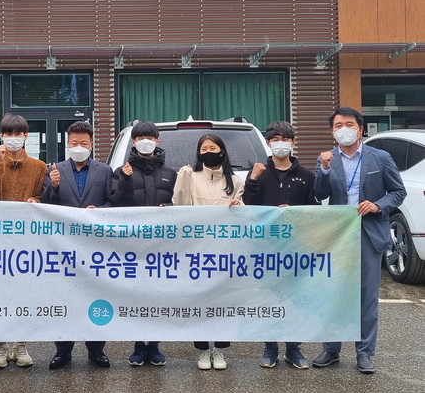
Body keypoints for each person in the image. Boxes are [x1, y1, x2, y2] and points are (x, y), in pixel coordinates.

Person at [311, 107, 405, 374]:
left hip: (368, 232)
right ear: (332, 131)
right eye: (338, 125)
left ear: (360, 129)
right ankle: (331, 349)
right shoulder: (326, 159)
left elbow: (397, 192)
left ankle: (364, 352)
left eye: (349, 124)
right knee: (334, 293)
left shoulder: (380, 158)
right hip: (338, 235)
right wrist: (324, 169)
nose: (344, 129)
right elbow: (319, 194)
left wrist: (378, 205)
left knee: (367, 296)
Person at [243, 121, 319, 370]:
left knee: (295, 298)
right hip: (266, 247)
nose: (280, 144)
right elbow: (248, 205)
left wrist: (294, 212)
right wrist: (253, 179)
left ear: (293, 142)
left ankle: (293, 348)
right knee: (268, 297)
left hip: (295, 247)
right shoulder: (259, 172)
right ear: (267, 143)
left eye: (285, 139)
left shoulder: (306, 176)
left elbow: (314, 210)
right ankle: (270, 347)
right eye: (275, 140)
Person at [42, 121, 113, 369]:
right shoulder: (55, 170)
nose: (79, 147)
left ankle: (96, 350)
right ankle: (63, 350)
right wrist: (53, 186)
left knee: (96, 294)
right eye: (74, 143)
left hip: (95, 246)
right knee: (64, 296)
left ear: (91, 144)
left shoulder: (105, 171)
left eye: (84, 142)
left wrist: (99, 210)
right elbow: (45, 206)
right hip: (63, 246)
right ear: (67, 144)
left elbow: (113, 202)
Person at [0, 114, 47, 369]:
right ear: (1, 136)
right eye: (9, 134)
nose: (13, 138)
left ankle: (20, 345)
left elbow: (42, 196)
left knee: (24, 292)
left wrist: (35, 201)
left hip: (27, 239)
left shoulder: (39, 166)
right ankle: (0, 346)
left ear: (26, 136)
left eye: (18, 134)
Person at [172, 133, 244, 371]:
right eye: (204, 149)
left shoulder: (235, 181)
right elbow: (180, 205)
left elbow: (243, 215)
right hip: (196, 250)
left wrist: (239, 205)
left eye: (212, 148)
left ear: (222, 151)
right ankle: (203, 351)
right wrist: (182, 178)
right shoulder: (190, 176)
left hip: (225, 252)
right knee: (199, 300)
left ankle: (220, 350)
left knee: (224, 301)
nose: (208, 152)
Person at [109, 120, 176, 367]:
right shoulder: (121, 171)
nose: (146, 142)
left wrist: (169, 208)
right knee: (135, 294)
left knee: (157, 294)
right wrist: (125, 180)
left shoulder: (170, 173)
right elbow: (115, 204)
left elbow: (179, 205)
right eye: (140, 138)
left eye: (150, 137)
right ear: (133, 141)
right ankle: (138, 345)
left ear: (157, 141)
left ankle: (155, 345)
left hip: (161, 245)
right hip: (132, 246)